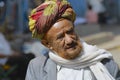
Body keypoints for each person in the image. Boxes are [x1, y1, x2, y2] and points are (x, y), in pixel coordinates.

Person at [25, 0, 120, 80]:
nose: (69, 40)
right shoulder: (37, 68)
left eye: (70, 31)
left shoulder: (103, 61)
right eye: (60, 37)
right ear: (47, 44)